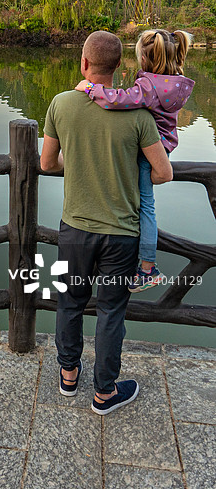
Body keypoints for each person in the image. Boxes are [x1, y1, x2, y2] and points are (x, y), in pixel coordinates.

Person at [41, 30, 172, 415]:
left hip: (75, 230)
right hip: (122, 235)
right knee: (111, 312)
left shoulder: (61, 104)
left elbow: (47, 163)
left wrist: (78, 163)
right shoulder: (139, 114)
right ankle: (104, 393)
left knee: (69, 302)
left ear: (84, 64)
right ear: (119, 69)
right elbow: (163, 173)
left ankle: (68, 376)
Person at [75, 29, 194, 292]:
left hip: (149, 150)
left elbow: (118, 101)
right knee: (144, 202)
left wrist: (91, 88)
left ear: (143, 59)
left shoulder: (148, 87)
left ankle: (147, 268)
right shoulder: (175, 83)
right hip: (165, 145)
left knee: (145, 206)